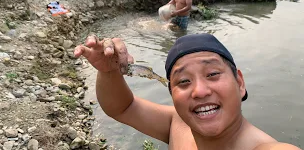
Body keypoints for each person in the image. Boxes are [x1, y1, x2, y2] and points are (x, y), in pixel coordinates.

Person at [74, 33, 301, 150]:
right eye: (183, 81)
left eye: (212, 74)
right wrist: (108, 71)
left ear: (240, 82)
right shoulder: (179, 124)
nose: (199, 91)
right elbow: (122, 108)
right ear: (172, 93)